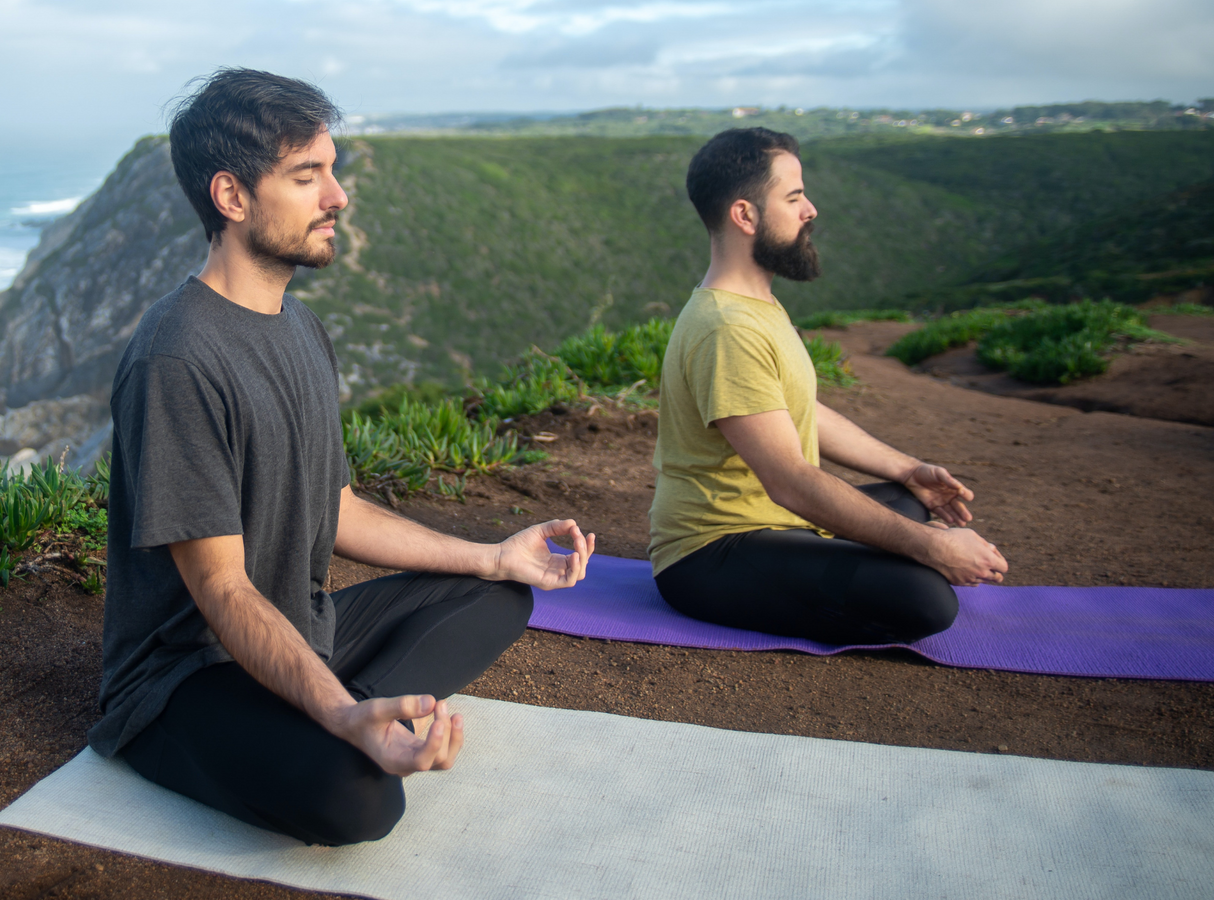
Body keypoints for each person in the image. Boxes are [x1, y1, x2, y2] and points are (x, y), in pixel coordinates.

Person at [88, 69, 595, 847]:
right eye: (306, 176)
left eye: (332, 169)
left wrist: (495, 556)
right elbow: (220, 588)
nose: (338, 196)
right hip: (187, 675)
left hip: (301, 625)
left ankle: (327, 706)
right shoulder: (178, 359)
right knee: (361, 804)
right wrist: (339, 712)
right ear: (231, 197)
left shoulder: (302, 329)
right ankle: (336, 716)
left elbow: (339, 508)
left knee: (497, 596)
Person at [648, 127, 1007, 646]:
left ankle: (877, 543)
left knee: (907, 501)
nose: (810, 209)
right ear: (745, 215)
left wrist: (908, 469)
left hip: (779, 525)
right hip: (711, 553)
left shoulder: (758, 306)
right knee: (926, 600)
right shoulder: (727, 328)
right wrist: (929, 547)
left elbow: (801, 411)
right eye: (794, 197)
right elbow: (790, 480)